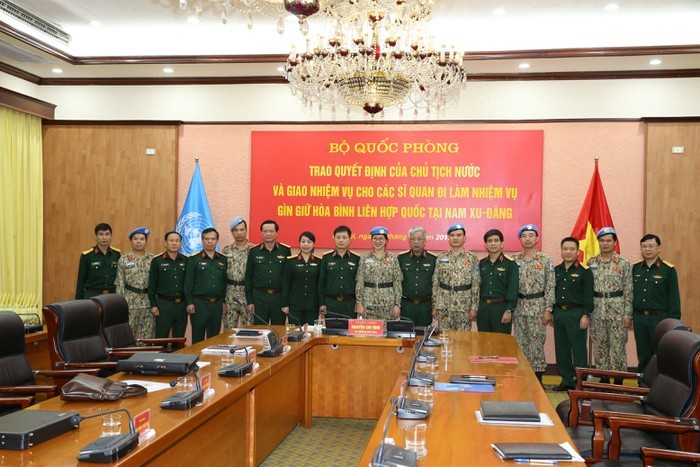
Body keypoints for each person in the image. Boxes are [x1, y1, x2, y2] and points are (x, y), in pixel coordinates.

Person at [587, 227, 633, 379]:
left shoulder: (623, 263)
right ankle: (604, 379)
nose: (605, 243)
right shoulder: (591, 262)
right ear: (598, 242)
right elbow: (586, 288)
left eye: (608, 240)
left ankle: (619, 382)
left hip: (617, 311)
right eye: (602, 240)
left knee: (618, 347)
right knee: (600, 348)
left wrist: (627, 314)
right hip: (597, 310)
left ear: (614, 243)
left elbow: (628, 290)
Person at [632, 234, 681, 373]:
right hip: (640, 318)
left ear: (658, 248)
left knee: (659, 353)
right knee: (643, 354)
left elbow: (674, 298)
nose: (647, 249)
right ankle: (642, 385)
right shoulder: (635, 269)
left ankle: (658, 385)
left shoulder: (668, 270)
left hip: (659, 319)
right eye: (644, 246)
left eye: (651, 246)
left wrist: (673, 322)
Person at [513, 224, 555, 384]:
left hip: (538, 306)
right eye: (524, 236)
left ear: (537, 239)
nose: (528, 239)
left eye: (531, 235)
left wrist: (548, 309)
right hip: (519, 306)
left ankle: (538, 379)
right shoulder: (515, 260)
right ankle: (523, 377)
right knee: (520, 343)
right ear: (520, 239)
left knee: (537, 342)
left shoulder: (545, 260)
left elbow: (550, 286)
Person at [552, 237, 594, 391]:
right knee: (561, 349)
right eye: (565, 249)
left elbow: (588, 295)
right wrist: (551, 312)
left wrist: (586, 315)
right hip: (559, 313)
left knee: (578, 350)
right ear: (561, 251)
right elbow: (551, 293)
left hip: (576, 314)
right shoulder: (556, 270)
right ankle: (566, 380)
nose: (568, 252)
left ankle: (580, 382)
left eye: (571, 249)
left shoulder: (585, 271)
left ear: (577, 252)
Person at [431, 222, 480, 331]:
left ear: (464, 238)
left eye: (458, 235)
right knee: (444, 338)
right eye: (452, 235)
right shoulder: (441, 257)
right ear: (448, 237)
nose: (455, 238)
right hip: (444, 305)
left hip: (464, 306)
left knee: (463, 340)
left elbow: (476, 285)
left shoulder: (472, 258)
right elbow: (435, 282)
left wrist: (474, 307)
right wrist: (434, 305)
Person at [184, 228, 228, 344]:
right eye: (207, 239)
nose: (210, 241)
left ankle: (211, 361)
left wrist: (223, 301)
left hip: (217, 304)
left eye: (213, 239)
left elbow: (224, 283)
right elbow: (188, 282)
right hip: (199, 304)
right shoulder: (194, 259)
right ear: (202, 241)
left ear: (217, 240)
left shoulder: (223, 259)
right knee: (198, 338)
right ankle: (196, 361)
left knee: (214, 338)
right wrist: (189, 302)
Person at [244, 220, 291, 325]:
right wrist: (250, 301)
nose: (268, 234)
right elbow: (248, 277)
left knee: (278, 331)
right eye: (265, 231)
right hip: (259, 298)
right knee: (260, 331)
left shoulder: (285, 251)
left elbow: (287, 278)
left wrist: (285, 302)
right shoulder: (254, 251)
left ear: (277, 233)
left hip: (278, 298)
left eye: (271, 231)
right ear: (261, 233)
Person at [476, 229, 519, 334]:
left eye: (496, 240)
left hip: (501, 308)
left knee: (501, 344)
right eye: (490, 241)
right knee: (483, 342)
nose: (493, 243)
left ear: (502, 244)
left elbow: (513, 288)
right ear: (486, 244)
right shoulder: (481, 264)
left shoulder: (510, 264)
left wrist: (509, 310)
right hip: (483, 308)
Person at [356, 226, 403, 320]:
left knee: (387, 331)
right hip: (368, 301)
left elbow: (397, 282)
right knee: (370, 330)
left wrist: (397, 304)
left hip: (388, 302)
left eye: (381, 238)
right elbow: (360, 281)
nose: (378, 241)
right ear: (371, 240)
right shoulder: (365, 258)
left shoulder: (393, 258)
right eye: (375, 238)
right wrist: (359, 302)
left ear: (386, 240)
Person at [115, 227, 155, 339]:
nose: (138, 241)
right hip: (129, 303)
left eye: (142, 239)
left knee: (147, 336)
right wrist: (121, 304)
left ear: (146, 242)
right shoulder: (124, 259)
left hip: (148, 303)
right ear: (131, 241)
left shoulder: (153, 259)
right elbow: (120, 282)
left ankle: (145, 356)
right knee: (127, 334)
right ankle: (127, 356)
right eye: (135, 239)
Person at [148, 231, 188, 338]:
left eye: (177, 241)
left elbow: (189, 285)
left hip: (181, 305)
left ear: (181, 244)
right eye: (171, 241)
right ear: (165, 243)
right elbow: (152, 285)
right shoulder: (157, 261)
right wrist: (153, 305)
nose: (174, 243)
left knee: (179, 337)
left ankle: (177, 354)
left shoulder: (186, 260)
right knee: (161, 336)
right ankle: (160, 355)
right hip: (163, 304)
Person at [318, 225, 360, 319]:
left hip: (350, 304)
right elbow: (322, 283)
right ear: (334, 239)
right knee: (330, 333)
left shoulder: (356, 259)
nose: (341, 240)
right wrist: (322, 303)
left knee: (349, 333)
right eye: (338, 237)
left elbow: (359, 283)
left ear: (350, 239)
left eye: (344, 237)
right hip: (331, 304)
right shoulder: (326, 258)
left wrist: (359, 303)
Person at [221, 216, 255, 330]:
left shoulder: (254, 250)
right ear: (232, 232)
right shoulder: (226, 250)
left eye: (242, 229)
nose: (239, 233)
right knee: (229, 331)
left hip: (247, 293)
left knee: (249, 330)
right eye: (236, 230)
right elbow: (221, 276)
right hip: (230, 294)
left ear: (246, 230)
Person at [398, 227, 436, 327]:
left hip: (425, 306)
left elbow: (436, 284)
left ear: (425, 241)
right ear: (409, 242)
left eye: (419, 239)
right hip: (407, 305)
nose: (416, 242)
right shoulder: (401, 259)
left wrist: (435, 306)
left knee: (423, 336)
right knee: (406, 336)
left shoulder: (433, 259)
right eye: (413, 239)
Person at [281, 231, 321, 326]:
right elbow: (285, 284)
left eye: (309, 241)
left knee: (311, 334)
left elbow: (320, 285)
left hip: (312, 305)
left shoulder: (319, 262)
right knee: (295, 333)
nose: (306, 244)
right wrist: (284, 304)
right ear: (299, 243)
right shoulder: (291, 261)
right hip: (295, 305)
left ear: (313, 244)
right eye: (303, 241)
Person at [76, 223, 121, 299]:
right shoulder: (87, 255)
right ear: (96, 237)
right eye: (101, 234)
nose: (104, 237)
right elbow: (81, 281)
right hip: (92, 296)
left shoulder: (116, 254)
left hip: (112, 296)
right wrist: (78, 301)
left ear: (111, 237)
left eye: (107, 234)